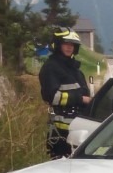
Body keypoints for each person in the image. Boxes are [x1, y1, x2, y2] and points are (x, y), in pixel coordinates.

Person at [39, 27, 92, 159]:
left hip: (79, 129)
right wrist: (80, 99)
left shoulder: (76, 71)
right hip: (60, 132)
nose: (69, 47)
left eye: (72, 45)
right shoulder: (51, 67)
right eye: (66, 44)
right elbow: (51, 97)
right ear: (57, 45)